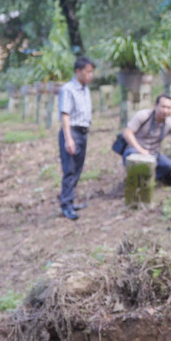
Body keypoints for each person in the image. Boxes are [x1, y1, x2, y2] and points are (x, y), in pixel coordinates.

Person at [57, 56, 96, 220]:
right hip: (71, 132)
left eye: (92, 72)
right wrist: (69, 139)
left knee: (78, 169)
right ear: (78, 71)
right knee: (70, 169)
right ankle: (66, 205)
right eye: (88, 72)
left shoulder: (84, 88)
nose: (91, 75)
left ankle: (71, 201)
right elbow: (65, 115)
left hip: (82, 132)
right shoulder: (68, 89)